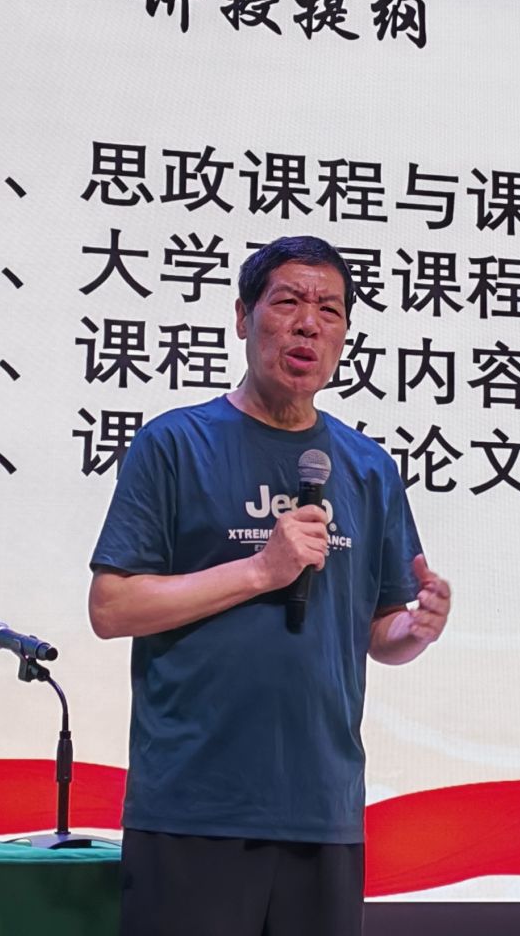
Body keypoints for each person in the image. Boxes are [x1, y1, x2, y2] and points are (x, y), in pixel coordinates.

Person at [87, 235, 452, 936]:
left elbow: (379, 629)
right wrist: (261, 570)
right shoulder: (175, 444)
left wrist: (415, 628)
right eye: (287, 302)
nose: (308, 324)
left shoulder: (369, 467)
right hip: (196, 807)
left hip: (323, 809)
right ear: (243, 317)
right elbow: (111, 606)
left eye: (329, 310)